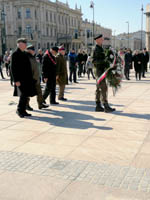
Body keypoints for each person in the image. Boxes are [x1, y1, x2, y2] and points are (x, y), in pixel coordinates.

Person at [10, 38, 37, 118]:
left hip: (27, 78)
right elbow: (13, 68)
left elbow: (32, 58)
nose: (25, 45)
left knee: (26, 95)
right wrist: (16, 80)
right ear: (19, 44)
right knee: (23, 95)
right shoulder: (15, 54)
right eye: (24, 44)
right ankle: (19, 110)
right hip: (20, 79)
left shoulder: (25, 53)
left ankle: (23, 110)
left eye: (25, 44)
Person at [92, 34, 115, 113]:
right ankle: (106, 106)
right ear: (97, 40)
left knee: (99, 88)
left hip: (101, 70)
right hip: (98, 71)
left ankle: (98, 106)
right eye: (101, 39)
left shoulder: (101, 48)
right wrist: (105, 61)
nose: (102, 40)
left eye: (102, 39)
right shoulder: (95, 49)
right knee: (103, 87)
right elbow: (94, 61)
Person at [26, 45, 49, 110]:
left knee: (39, 92)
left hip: (36, 78)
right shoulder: (25, 57)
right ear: (28, 50)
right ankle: (26, 105)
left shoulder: (33, 57)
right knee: (27, 93)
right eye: (32, 50)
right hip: (30, 79)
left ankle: (41, 104)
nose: (34, 51)